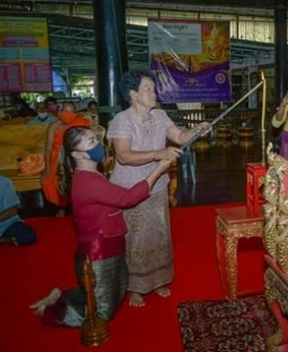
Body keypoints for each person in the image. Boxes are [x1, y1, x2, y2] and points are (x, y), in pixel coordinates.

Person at [29, 126, 172, 325]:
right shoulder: (88, 181)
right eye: (91, 142)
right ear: (77, 153)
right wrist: (158, 169)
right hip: (99, 251)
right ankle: (50, 311)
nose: (98, 145)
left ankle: (63, 296)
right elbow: (128, 198)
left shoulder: (91, 174)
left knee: (113, 292)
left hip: (110, 243)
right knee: (100, 313)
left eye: (96, 140)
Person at [107, 69, 209, 307]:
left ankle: (157, 280)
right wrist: (159, 153)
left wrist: (197, 129)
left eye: (153, 88)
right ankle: (134, 286)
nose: (153, 93)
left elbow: (181, 137)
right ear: (133, 94)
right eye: (148, 89)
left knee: (159, 235)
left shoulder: (161, 116)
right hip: (130, 187)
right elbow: (123, 156)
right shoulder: (122, 120)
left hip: (158, 185)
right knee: (134, 239)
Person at [41, 102, 90, 216]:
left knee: (78, 181)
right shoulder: (54, 126)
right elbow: (48, 147)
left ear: (75, 114)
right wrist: (47, 168)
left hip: (76, 156)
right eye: (65, 111)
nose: (68, 114)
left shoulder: (81, 124)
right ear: (60, 112)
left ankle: (77, 207)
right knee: (50, 180)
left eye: (71, 112)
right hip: (57, 158)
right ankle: (62, 206)